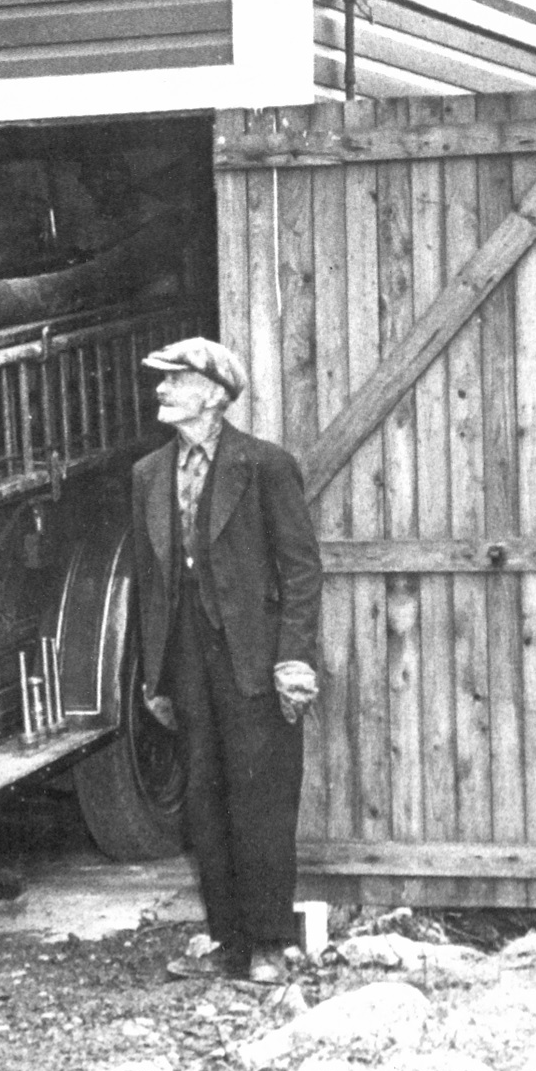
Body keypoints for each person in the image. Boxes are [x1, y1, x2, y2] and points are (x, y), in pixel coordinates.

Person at [127, 335, 324, 986]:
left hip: (252, 656)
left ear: (213, 395)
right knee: (203, 799)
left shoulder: (264, 466)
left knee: (260, 797)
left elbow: (299, 570)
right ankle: (226, 939)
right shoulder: (148, 475)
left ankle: (269, 941)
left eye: (175, 380)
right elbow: (148, 582)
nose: (161, 390)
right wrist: (153, 677)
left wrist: (292, 659)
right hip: (185, 655)